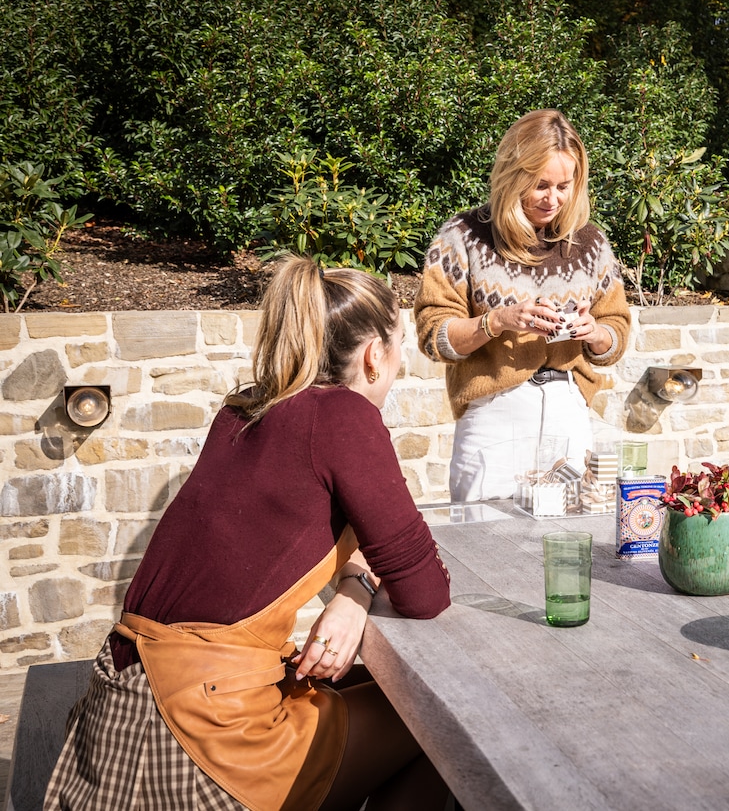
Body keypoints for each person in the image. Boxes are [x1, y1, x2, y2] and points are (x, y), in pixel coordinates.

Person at [45, 257, 453, 811]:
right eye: (401, 345)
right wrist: (357, 591)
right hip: (202, 737)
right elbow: (425, 594)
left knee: (380, 695)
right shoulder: (344, 418)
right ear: (375, 356)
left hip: (121, 706)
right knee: (445, 720)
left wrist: (353, 596)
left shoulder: (245, 411)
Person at [414, 109, 631, 501]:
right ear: (513, 176)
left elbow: (615, 335)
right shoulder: (463, 236)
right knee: (484, 544)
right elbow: (433, 337)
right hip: (494, 415)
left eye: (565, 186)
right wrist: (496, 321)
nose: (553, 199)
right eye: (540, 185)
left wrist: (595, 333)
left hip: (568, 409)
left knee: (567, 538)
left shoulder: (590, 243)